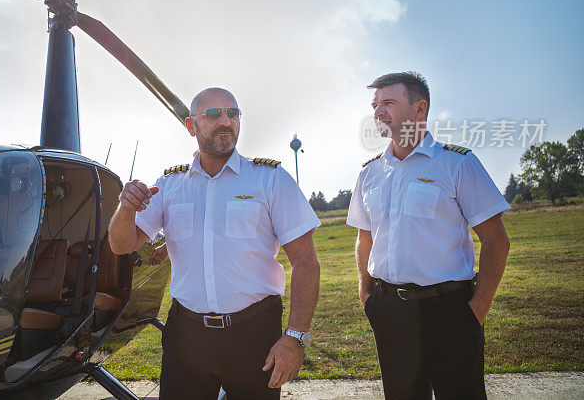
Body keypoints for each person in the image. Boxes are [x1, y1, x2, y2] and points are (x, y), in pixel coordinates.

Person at [109, 87, 321, 399]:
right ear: (191, 126)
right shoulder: (170, 185)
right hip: (187, 335)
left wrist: (295, 337)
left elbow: (305, 262)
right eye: (213, 114)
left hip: (254, 331)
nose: (225, 121)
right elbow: (121, 245)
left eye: (232, 113)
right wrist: (126, 208)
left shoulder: (269, 178)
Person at [347, 72, 511, 399]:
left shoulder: (457, 164)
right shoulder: (370, 172)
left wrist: (476, 309)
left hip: (450, 310)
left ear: (419, 108)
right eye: (375, 104)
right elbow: (365, 239)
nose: (378, 111)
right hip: (390, 310)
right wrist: (368, 297)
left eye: (388, 102)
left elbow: (496, 241)